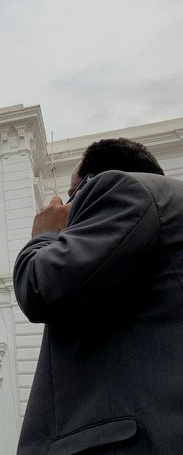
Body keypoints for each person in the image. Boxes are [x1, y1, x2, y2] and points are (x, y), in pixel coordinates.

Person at [14, 138, 183, 454]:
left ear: (89, 183)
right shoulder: (165, 208)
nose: (68, 206)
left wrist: (44, 235)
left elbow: (38, 287)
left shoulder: (123, 190)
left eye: (71, 196)